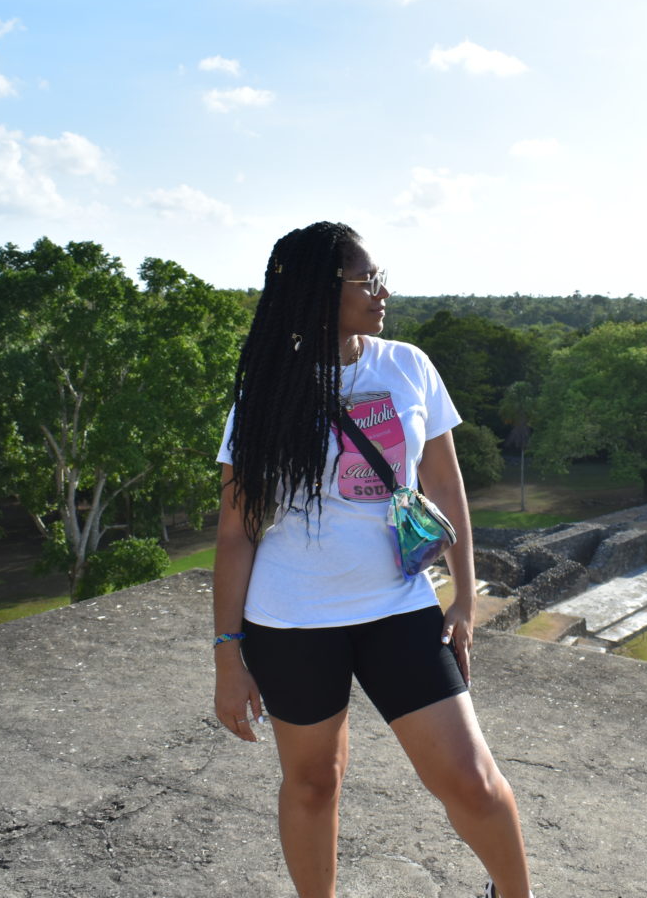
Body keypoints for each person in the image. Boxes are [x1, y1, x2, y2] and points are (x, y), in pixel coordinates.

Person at [212, 221, 534, 898]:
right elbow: (238, 532)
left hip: (400, 605)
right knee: (312, 783)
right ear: (318, 293)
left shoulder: (407, 365)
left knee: (472, 783)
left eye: (380, 275)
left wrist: (465, 601)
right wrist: (227, 655)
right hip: (292, 618)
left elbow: (445, 488)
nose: (383, 290)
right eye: (368, 280)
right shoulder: (267, 390)